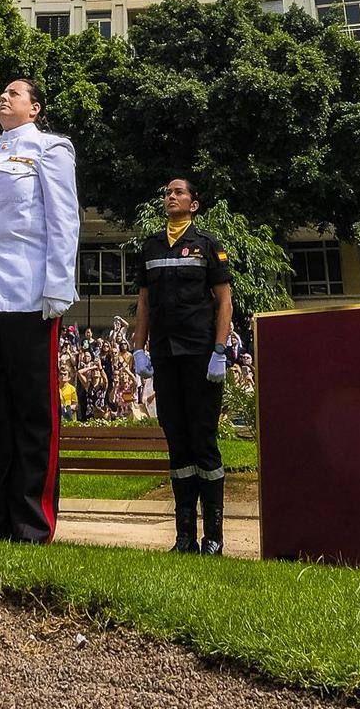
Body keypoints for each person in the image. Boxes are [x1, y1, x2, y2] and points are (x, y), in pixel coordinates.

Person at [0, 76, 80, 544]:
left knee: (34, 411)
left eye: (14, 93)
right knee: (0, 410)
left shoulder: (51, 148)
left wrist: (57, 289)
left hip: (29, 293)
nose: (4, 98)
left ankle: (34, 517)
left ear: (35, 108)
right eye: (2, 94)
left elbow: (63, 219)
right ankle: (1, 514)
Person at [132, 176, 233, 555]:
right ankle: (184, 537)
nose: (170, 196)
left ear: (194, 204)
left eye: (178, 192)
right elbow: (143, 302)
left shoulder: (208, 245)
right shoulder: (151, 245)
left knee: (203, 441)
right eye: (167, 193)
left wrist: (220, 350)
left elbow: (224, 300)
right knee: (177, 442)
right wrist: (138, 350)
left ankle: (215, 538)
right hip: (165, 355)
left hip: (201, 355)